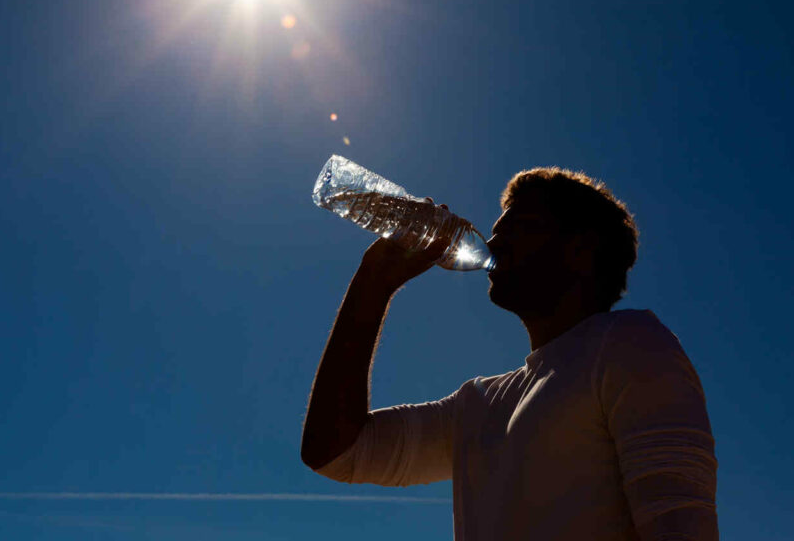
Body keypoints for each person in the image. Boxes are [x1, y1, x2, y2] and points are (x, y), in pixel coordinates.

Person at [301, 167, 718, 541]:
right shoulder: (476, 405)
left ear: (580, 250)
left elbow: (680, 525)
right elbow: (336, 452)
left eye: (519, 226)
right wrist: (374, 280)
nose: (494, 240)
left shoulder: (630, 342)